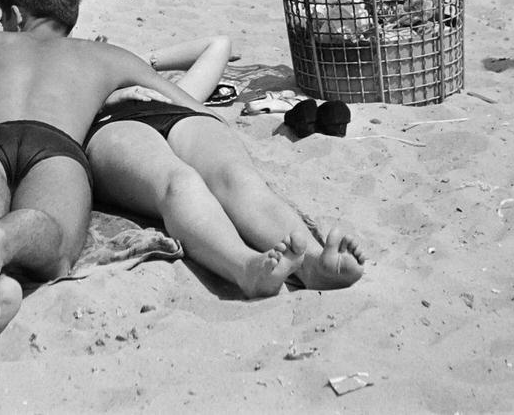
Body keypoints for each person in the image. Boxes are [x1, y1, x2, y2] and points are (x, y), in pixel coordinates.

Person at [0, 0, 209, 365]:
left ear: (16, 16)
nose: (2, 26)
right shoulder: (103, 56)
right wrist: (103, 99)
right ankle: (1, 242)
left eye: (3, 18)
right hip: (55, 147)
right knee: (55, 248)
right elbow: (190, 107)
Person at [83, 35, 365, 305]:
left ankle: (315, 264)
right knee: (180, 183)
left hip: (180, 113)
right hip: (110, 125)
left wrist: (129, 63)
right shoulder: (75, 92)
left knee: (239, 179)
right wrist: (102, 94)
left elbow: (218, 44)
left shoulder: (165, 87)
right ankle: (246, 268)